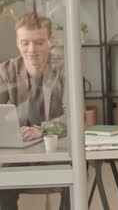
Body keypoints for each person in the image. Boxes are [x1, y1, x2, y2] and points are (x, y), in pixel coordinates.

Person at [0, 12, 68, 210]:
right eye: (25, 43)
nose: (32, 50)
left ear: (50, 41)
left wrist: (42, 129)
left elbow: (75, 117)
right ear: (18, 43)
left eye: (39, 42)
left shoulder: (65, 70)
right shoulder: (6, 72)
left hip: (58, 152)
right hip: (19, 154)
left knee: (75, 181)